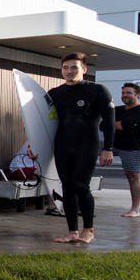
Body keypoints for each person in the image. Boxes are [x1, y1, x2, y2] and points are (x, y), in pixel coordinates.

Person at [47, 52, 114, 245]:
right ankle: (72, 231)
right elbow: (44, 124)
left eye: (74, 67)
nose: (69, 71)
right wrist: (33, 146)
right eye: (65, 67)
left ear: (84, 69)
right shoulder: (54, 94)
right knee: (67, 188)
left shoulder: (98, 91)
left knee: (81, 186)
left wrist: (108, 148)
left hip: (87, 145)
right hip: (63, 145)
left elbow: (109, 122)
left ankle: (88, 229)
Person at [114, 82, 140, 218]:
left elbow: (124, 126)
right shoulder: (118, 110)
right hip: (115, 146)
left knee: (133, 177)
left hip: (133, 148)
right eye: (123, 93)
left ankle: (135, 209)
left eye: (129, 93)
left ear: (137, 94)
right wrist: (116, 125)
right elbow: (103, 125)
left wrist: (117, 124)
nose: (125, 95)